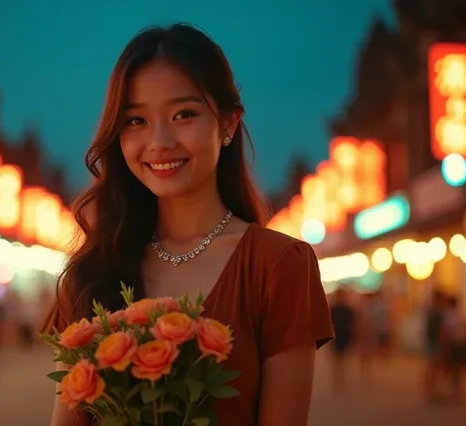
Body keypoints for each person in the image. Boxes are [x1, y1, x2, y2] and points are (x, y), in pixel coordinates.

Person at [44, 24, 335, 426]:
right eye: (135, 121)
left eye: (184, 114)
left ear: (229, 123)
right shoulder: (95, 269)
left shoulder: (279, 265)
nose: (159, 140)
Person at [329, 288, 356, 392]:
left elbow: (352, 323)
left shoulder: (343, 309)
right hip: (338, 335)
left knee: (340, 358)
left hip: (342, 334)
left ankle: (339, 378)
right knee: (338, 358)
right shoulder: (337, 308)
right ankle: (338, 378)